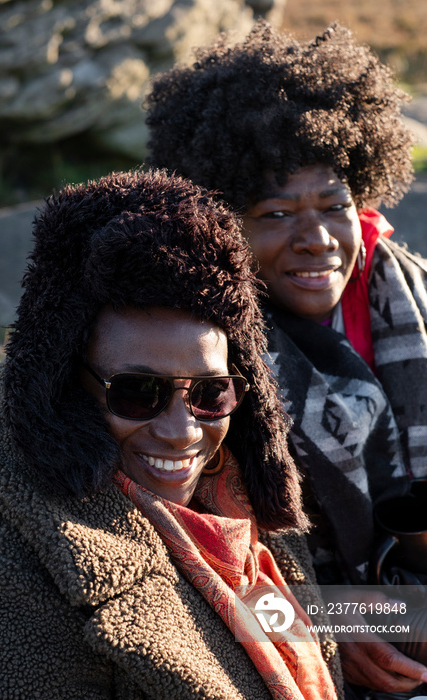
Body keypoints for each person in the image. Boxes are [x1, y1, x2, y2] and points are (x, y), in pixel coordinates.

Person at [0, 168, 343, 699]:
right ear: (67, 384)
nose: (180, 430)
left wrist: (358, 629)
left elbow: (301, 612)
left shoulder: (239, 485)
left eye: (210, 393)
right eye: (139, 393)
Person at [144, 21, 427, 699]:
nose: (315, 240)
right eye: (274, 213)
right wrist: (327, 630)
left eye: (333, 206)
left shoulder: (408, 295)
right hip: (284, 631)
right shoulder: (190, 351)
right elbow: (194, 563)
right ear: (221, 221)